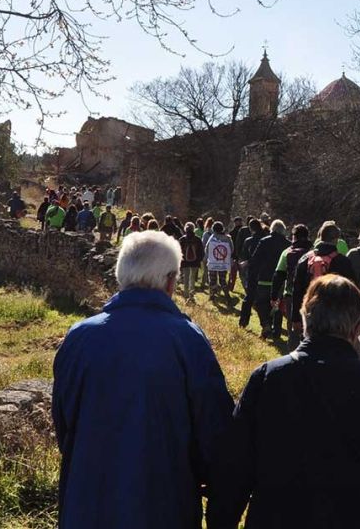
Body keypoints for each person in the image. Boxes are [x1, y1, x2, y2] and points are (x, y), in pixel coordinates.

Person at [206, 275, 360, 529]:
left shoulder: (268, 379)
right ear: (358, 328)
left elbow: (235, 467)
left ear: (305, 320)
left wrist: (221, 519)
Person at [51, 231, 234, 528]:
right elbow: (213, 428)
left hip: (87, 500)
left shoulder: (79, 337)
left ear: (121, 275)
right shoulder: (187, 339)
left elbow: (63, 420)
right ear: (171, 280)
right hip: (163, 502)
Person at [290, 222, 356, 339]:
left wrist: (295, 317)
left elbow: (296, 290)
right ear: (337, 239)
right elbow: (351, 293)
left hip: (310, 314)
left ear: (320, 237)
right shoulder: (343, 262)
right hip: (336, 319)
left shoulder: (305, 259)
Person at [240, 220, 289, 339]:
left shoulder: (264, 241)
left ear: (272, 229)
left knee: (261, 303)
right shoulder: (288, 244)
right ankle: (276, 332)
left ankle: (266, 325)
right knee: (277, 306)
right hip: (280, 280)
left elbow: (255, 259)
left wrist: (248, 265)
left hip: (264, 277)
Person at [271, 224, 313, 349]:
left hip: (291, 294)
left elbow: (279, 275)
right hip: (311, 296)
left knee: (293, 327)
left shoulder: (287, 252)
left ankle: (293, 354)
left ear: (294, 237)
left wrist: (274, 296)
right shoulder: (314, 253)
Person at [206, 221, 233, 298]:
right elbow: (231, 249)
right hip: (223, 263)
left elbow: (207, 249)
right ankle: (226, 294)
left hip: (213, 262)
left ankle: (212, 295)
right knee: (223, 279)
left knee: (212, 279)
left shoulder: (211, 238)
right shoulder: (227, 238)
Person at [179, 222, 204, 301]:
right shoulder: (198, 239)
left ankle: (186, 294)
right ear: (193, 229)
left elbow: (179, 251)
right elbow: (201, 252)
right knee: (192, 278)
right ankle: (191, 295)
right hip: (195, 262)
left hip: (185, 262)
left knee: (186, 277)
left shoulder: (182, 239)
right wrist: (199, 260)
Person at [228, 217, 245, 292]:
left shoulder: (232, 233)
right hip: (242, 256)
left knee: (232, 273)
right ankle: (245, 287)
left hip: (234, 255)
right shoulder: (245, 232)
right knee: (242, 274)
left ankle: (230, 287)